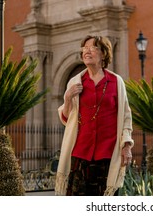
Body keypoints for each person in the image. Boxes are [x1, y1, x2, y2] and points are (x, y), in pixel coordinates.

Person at [55, 35, 134, 196]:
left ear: (104, 54)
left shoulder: (116, 82)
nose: (87, 51)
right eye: (85, 48)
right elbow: (66, 118)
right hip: (80, 154)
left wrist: (126, 146)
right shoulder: (75, 82)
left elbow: (126, 116)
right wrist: (68, 98)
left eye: (93, 48)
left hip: (108, 154)